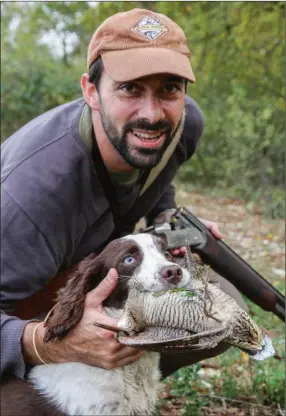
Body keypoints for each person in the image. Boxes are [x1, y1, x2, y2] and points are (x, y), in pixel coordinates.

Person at [1, 8, 246, 380]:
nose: (152, 114)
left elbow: (158, 180)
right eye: (130, 88)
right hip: (23, 308)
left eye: (169, 88)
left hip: (97, 275)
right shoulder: (33, 195)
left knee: (217, 310)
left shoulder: (183, 126)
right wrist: (48, 344)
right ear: (91, 92)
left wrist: (166, 221)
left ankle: (118, 388)